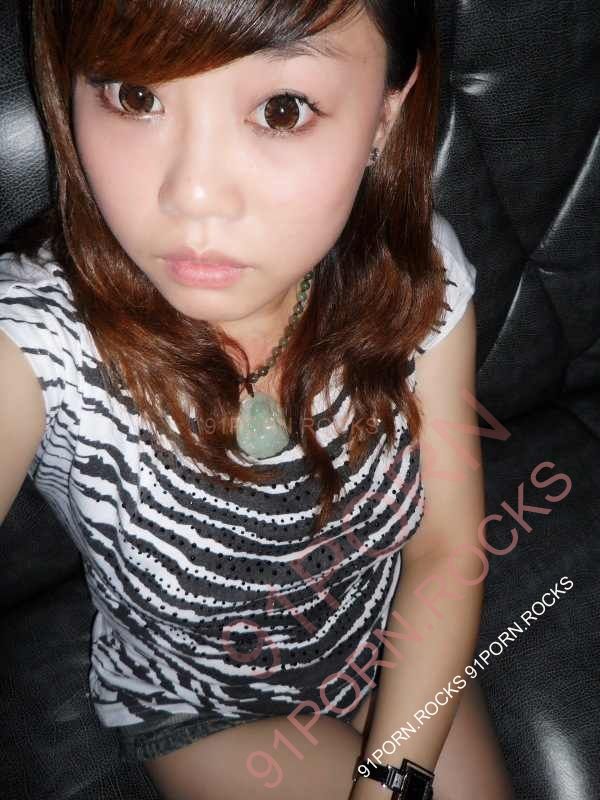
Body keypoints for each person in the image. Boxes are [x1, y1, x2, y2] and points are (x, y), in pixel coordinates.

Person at [0, 0, 516, 798]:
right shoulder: (37, 336)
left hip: (386, 643)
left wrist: (390, 779)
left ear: (386, 111)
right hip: (203, 709)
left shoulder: (416, 280)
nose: (195, 196)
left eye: (282, 110)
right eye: (135, 97)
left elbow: (445, 547)